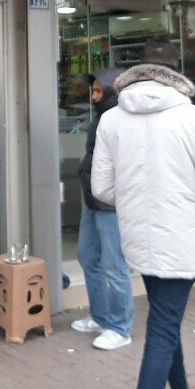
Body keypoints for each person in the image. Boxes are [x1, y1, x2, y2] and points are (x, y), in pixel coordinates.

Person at [91, 41, 195, 389]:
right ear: (176, 73)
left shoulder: (111, 118)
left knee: (164, 321)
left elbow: (101, 188)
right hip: (181, 241)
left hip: (139, 238)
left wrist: (133, 202)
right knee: (163, 327)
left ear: (137, 71)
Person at [71, 69, 134, 350]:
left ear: (111, 91)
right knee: (88, 257)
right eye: (93, 90)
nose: (93, 95)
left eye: (98, 91)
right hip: (92, 201)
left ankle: (120, 328)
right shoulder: (102, 116)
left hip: (110, 204)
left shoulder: (120, 119)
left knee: (114, 265)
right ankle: (101, 316)